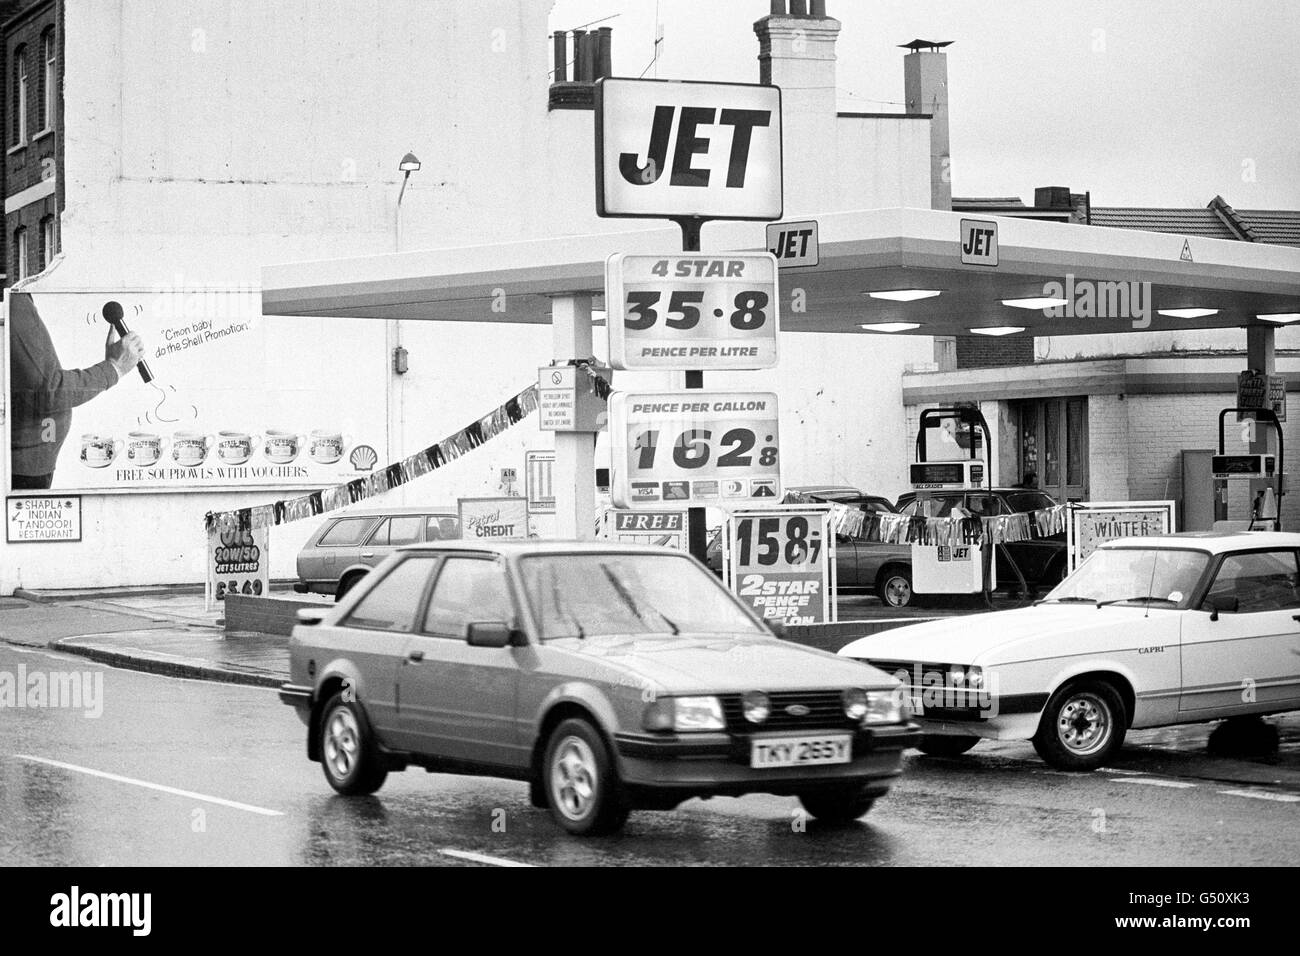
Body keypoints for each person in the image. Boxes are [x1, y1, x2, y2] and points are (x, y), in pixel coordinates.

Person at [8, 292, 145, 489]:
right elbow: (51, 391)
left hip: (27, 465)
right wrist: (114, 368)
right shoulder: (14, 304)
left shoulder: (17, 302)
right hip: (23, 471)